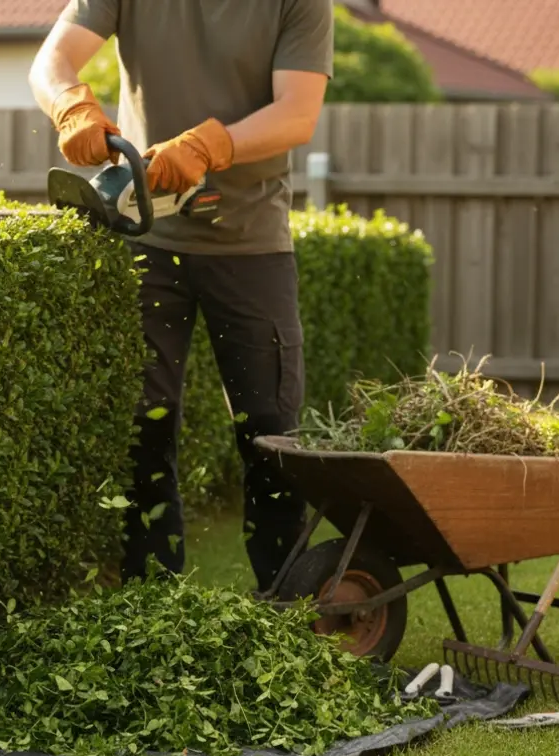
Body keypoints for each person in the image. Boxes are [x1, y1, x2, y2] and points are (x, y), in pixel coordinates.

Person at [28, 0, 335, 592]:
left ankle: (288, 607)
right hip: (143, 238)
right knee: (144, 424)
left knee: (268, 429)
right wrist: (70, 103)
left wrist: (204, 147)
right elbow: (53, 58)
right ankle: (150, 606)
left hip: (250, 245)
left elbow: (297, 115)